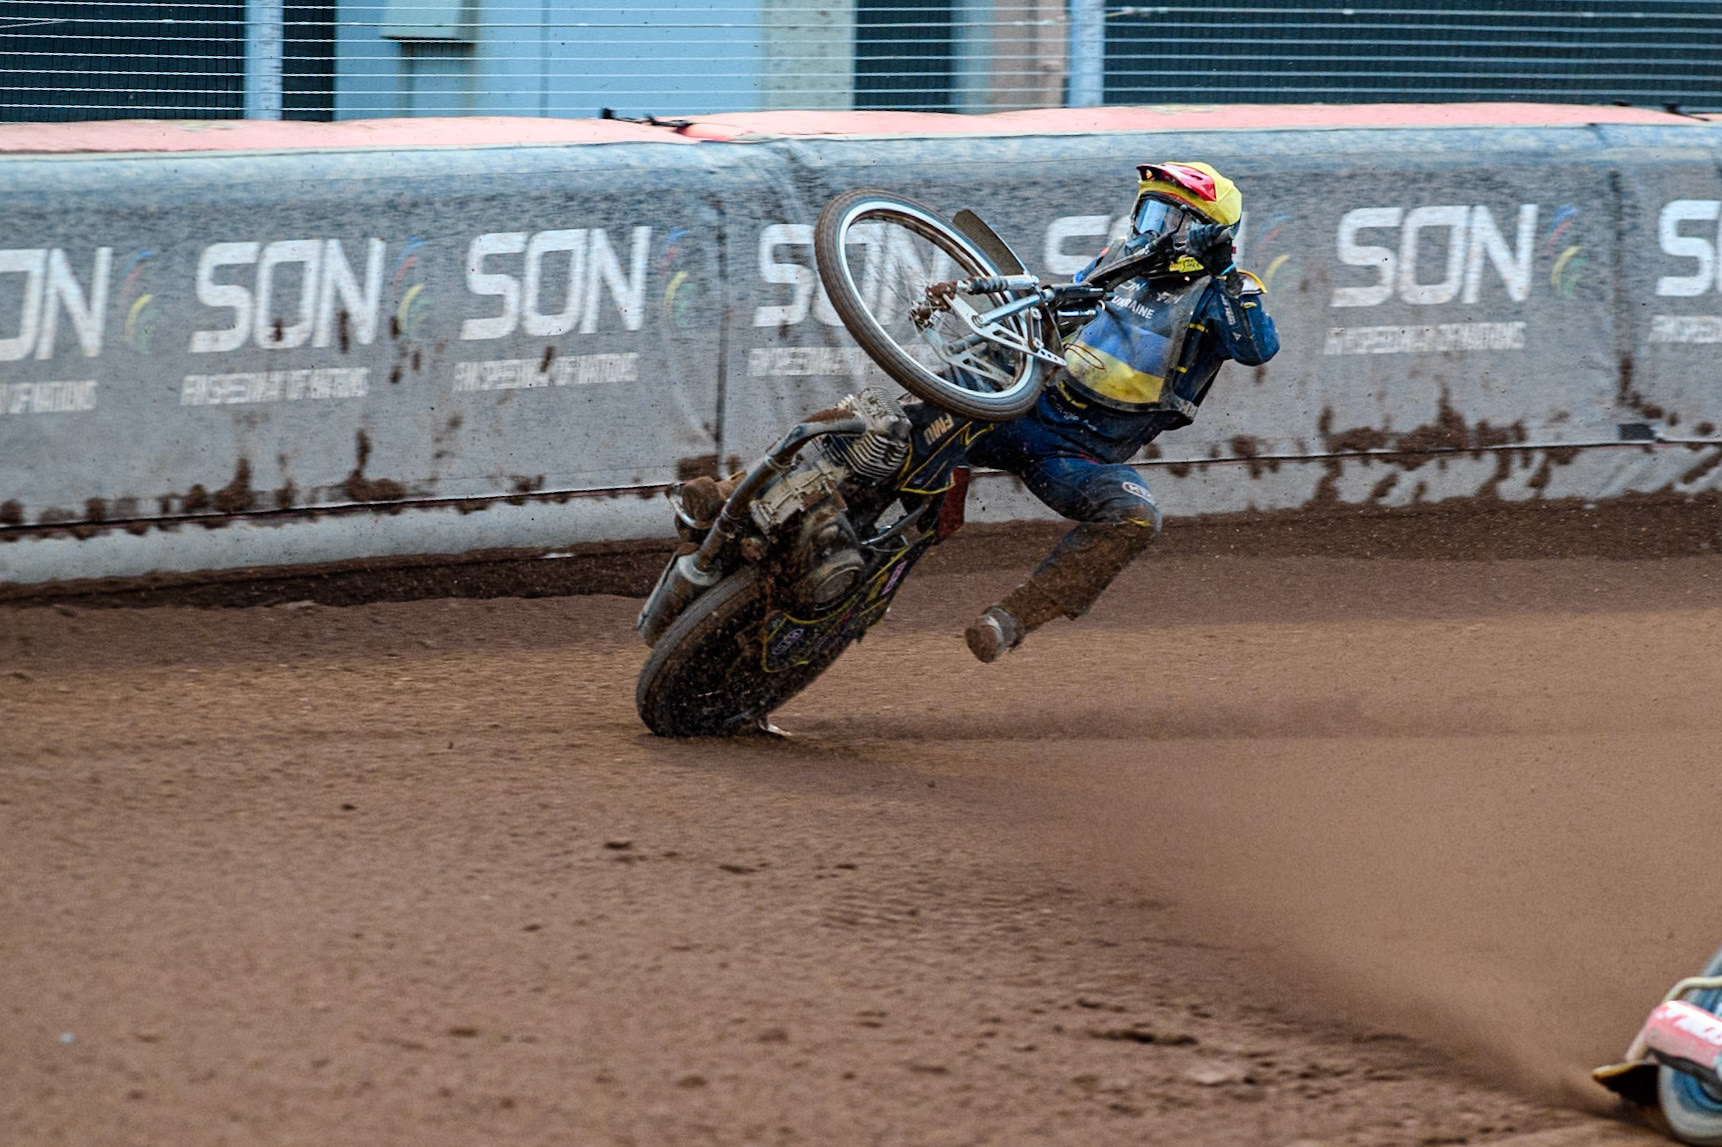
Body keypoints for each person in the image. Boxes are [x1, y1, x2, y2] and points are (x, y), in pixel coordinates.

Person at [957, 161, 1279, 663]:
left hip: (1076, 458)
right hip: (1020, 409)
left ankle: (1012, 618)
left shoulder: (1223, 294)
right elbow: (1056, 314)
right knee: (933, 402)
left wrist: (1224, 272)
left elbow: (1257, 349)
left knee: (1136, 519)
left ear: (1211, 234)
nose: (1156, 233)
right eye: (1151, 215)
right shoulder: (1118, 257)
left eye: (1174, 222)